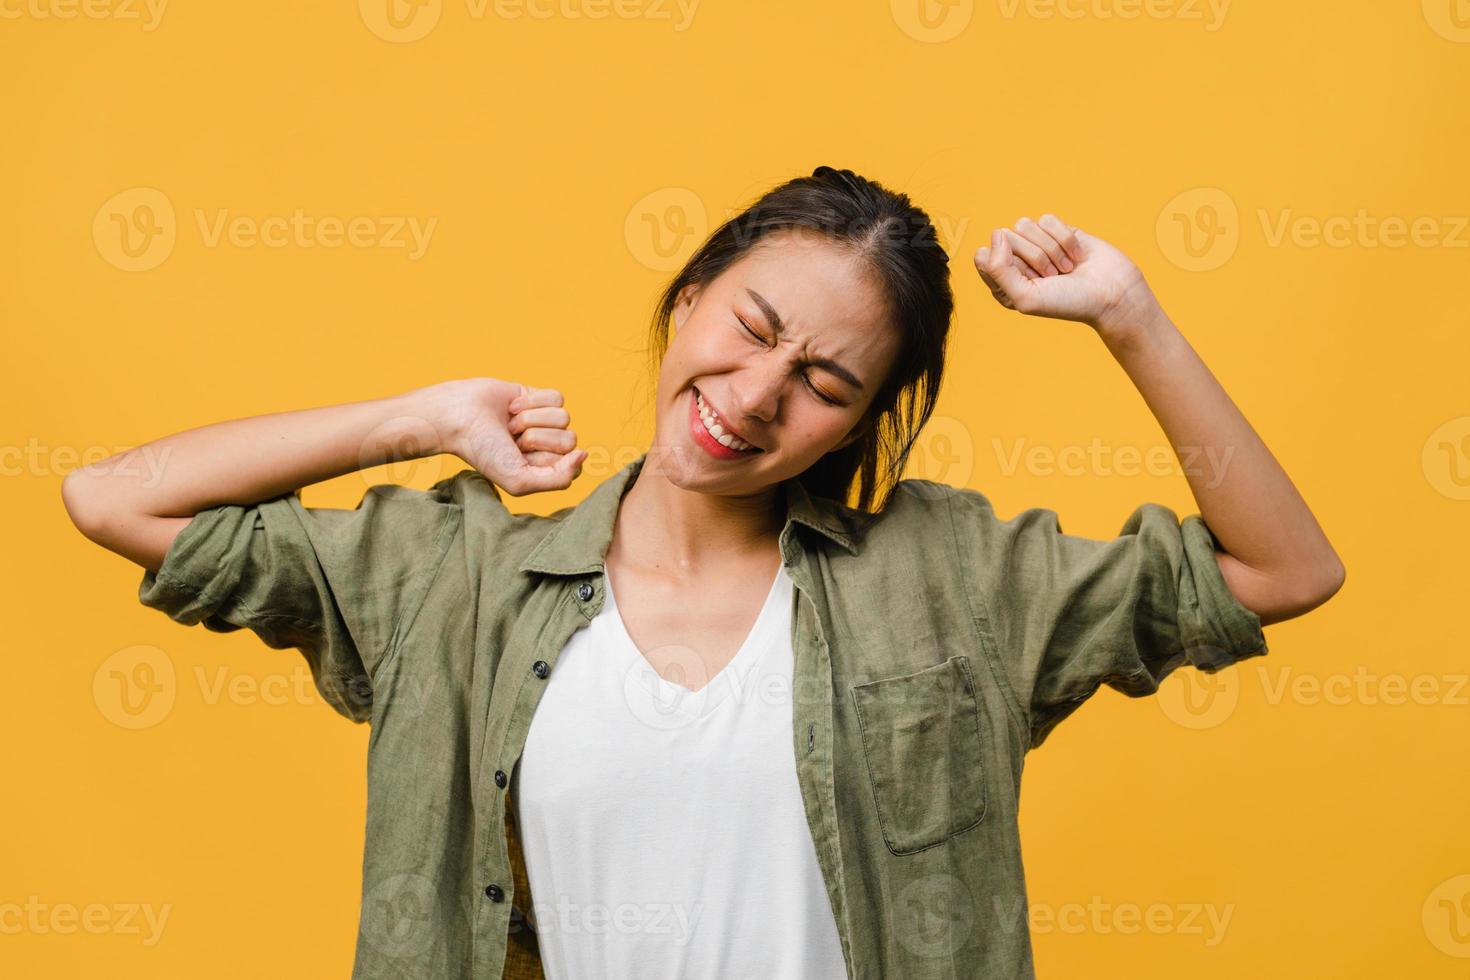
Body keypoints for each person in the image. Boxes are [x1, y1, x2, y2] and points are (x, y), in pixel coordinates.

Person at [62, 165, 1345, 980]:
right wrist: (417, 415)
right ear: (690, 296)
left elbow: (1283, 568)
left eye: (824, 382)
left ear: (856, 426)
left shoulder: (956, 576)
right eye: (751, 327)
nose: (755, 396)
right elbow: (111, 495)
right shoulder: (450, 577)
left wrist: (1129, 314)